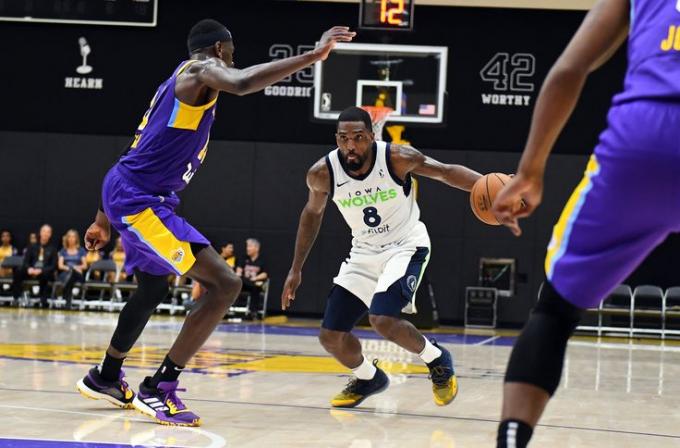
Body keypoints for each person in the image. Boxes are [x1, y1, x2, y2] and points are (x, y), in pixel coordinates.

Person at [75, 18, 355, 427]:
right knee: (226, 284)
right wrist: (315, 55)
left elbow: (133, 149)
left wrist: (102, 220)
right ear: (221, 49)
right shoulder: (200, 71)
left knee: (153, 287)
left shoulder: (178, 81)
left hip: (129, 191)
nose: (233, 59)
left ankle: (106, 375)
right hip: (140, 202)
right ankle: (160, 387)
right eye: (233, 51)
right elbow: (241, 82)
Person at [491, 1, 680, 446]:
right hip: (645, 134)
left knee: (555, 311)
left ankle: (512, 440)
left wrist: (530, 170)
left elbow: (568, 70)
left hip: (644, 139)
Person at [281, 106, 482, 408]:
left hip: (405, 245)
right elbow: (312, 214)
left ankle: (436, 358)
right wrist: (296, 268)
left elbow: (445, 172)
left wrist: (491, 184)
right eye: (344, 138)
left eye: (359, 138)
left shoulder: (398, 158)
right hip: (363, 252)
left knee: (382, 319)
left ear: (372, 136)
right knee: (331, 336)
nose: (351, 145)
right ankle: (368, 377)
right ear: (336, 138)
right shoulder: (322, 173)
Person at [13, 225, 57, 308]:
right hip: (31, 270)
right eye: (44, 231)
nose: (45, 234)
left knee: (47, 274)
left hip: (43, 272)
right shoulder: (32, 247)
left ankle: (43, 300)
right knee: (19, 270)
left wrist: (41, 270)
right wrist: (29, 268)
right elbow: (26, 261)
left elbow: (53, 266)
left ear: (50, 234)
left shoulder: (53, 249)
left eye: (48, 232)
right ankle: (16, 298)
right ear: (40, 233)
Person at [237, 238, 268, 318]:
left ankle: (252, 312)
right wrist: (239, 273)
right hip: (243, 283)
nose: (247, 248)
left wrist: (256, 278)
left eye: (250, 246)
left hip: (254, 283)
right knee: (235, 285)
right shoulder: (244, 258)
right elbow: (239, 270)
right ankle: (227, 309)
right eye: (247, 246)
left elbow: (265, 274)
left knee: (256, 288)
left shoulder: (262, 260)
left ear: (257, 248)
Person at [57, 229, 87, 309]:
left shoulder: (81, 250)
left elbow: (84, 266)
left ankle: (63, 291)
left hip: (77, 274)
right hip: (66, 273)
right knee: (70, 276)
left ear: (76, 239)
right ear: (67, 238)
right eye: (69, 237)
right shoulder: (63, 251)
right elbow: (60, 266)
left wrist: (76, 268)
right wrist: (71, 268)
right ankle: (68, 303)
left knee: (72, 275)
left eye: (73, 237)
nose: (71, 239)